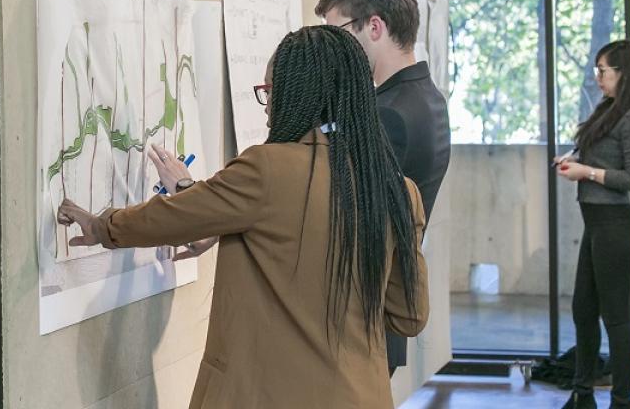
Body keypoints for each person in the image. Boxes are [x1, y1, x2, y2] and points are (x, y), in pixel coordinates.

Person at [58, 26, 428, 408]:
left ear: (298, 93)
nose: (267, 106)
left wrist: (101, 226)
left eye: (269, 91)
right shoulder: (399, 191)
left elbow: (168, 218)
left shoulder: (268, 169)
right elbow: (410, 317)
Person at [317, 0, 451, 375]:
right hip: (375, 317)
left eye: (339, 33)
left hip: (361, 321)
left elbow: (340, 212)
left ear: (374, 27)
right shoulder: (424, 97)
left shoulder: (388, 113)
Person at [555, 41, 630, 409]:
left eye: (603, 70)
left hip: (615, 225)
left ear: (623, 73)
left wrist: (587, 173)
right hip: (595, 225)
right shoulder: (609, 110)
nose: (597, 77)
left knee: (616, 318)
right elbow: (598, 155)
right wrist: (573, 159)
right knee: (583, 309)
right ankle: (582, 396)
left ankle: (622, 400)